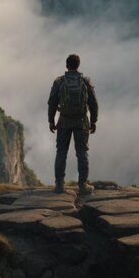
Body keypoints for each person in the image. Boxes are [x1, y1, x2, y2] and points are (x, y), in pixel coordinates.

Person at [47, 54, 98, 195]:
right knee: (82, 153)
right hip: (82, 121)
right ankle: (83, 185)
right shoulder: (86, 81)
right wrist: (93, 121)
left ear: (66, 65)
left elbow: (52, 102)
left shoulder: (59, 82)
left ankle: (59, 185)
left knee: (61, 152)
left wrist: (51, 120)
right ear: (78, 65)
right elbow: (93, 103)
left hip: (64, 121)